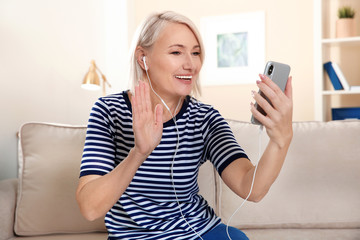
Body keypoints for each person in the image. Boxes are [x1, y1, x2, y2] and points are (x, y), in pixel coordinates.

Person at [76, 11, 293, 240]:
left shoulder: (205, 118)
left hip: (200, 232)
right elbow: (90, 208)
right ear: (143, 58)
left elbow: (252, 188)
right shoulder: (109, 111)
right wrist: (139, 153)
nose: (191, 64)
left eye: (196, 53)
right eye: (176, 52)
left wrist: (282, 139)